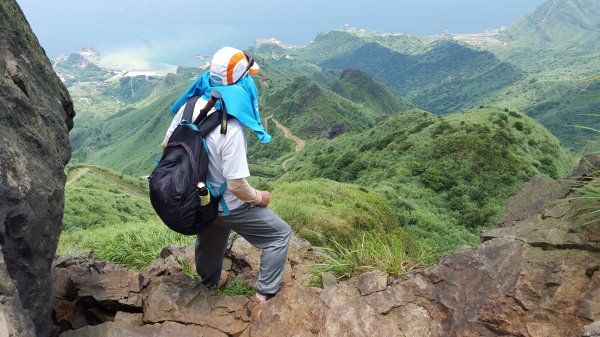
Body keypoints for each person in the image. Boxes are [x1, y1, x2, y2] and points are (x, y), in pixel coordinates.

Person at [162, 47, 291, 303]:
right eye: (248, 77)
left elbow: (167, 148)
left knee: (210, 238)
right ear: (242, 82)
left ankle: (208, 284)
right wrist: (259, 197)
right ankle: (264, 295)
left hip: (199, 200)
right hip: (229, 205)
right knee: (279, 235)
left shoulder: (189, 106)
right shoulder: (231, 127)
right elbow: (235, 185)